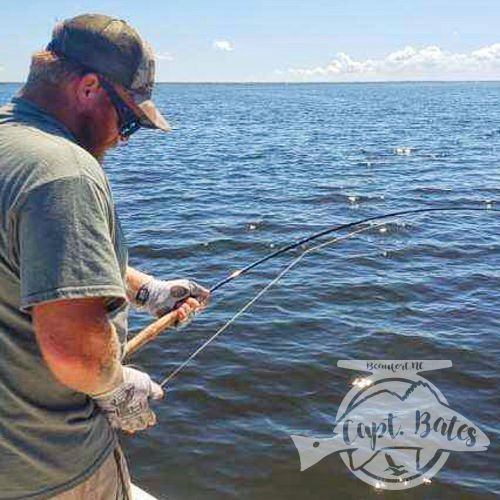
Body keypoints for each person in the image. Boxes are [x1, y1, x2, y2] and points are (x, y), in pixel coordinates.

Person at [0, 13, 209, 499]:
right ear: (89, 88)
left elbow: (30, 258)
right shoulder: (65, 172)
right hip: (48, 466)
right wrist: (116, 387)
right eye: (130, 119)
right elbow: (75, 351)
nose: (121, 137)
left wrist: (144, 290)